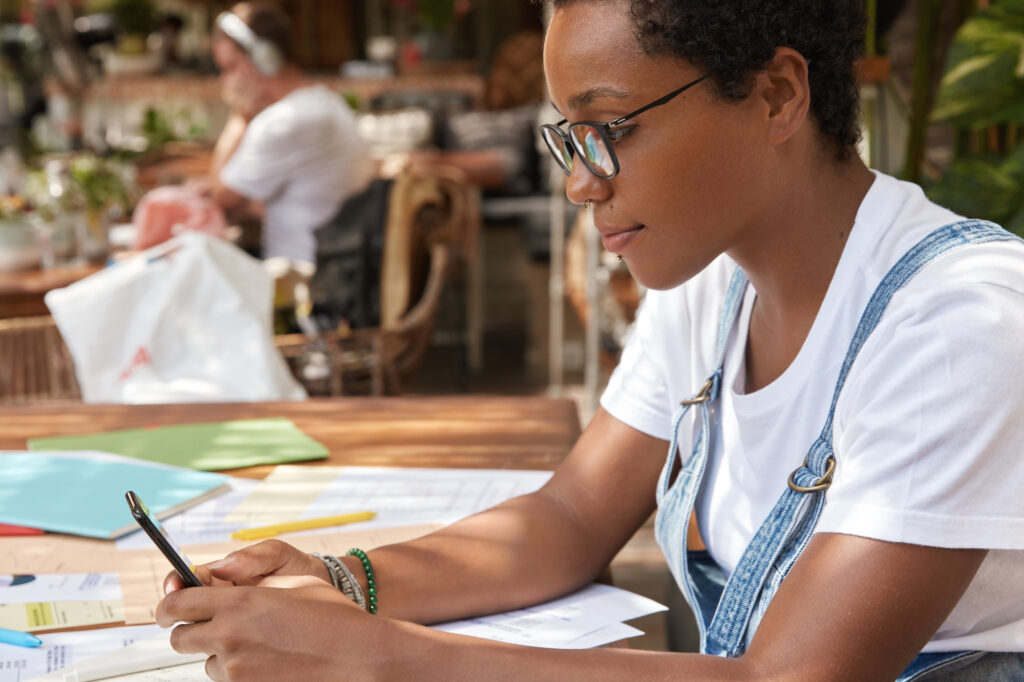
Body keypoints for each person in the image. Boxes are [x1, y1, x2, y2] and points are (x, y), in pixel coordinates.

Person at [156, 0, 1024, 679]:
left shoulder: (957, 322)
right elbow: (569, 518)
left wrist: (380, 659)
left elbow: (792, 675)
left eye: (610, 130)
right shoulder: (717, 283)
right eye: (569, 136)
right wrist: (338, 580)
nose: (579, 183)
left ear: (777, 95)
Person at [206, 2, 373, 263]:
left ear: (264, 59)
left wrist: (239, 116)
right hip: (334, 270)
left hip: (302, 286)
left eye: (230, 68)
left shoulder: (284, 122)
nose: (224, 81)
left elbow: (222, 197)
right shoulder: (322, 102)